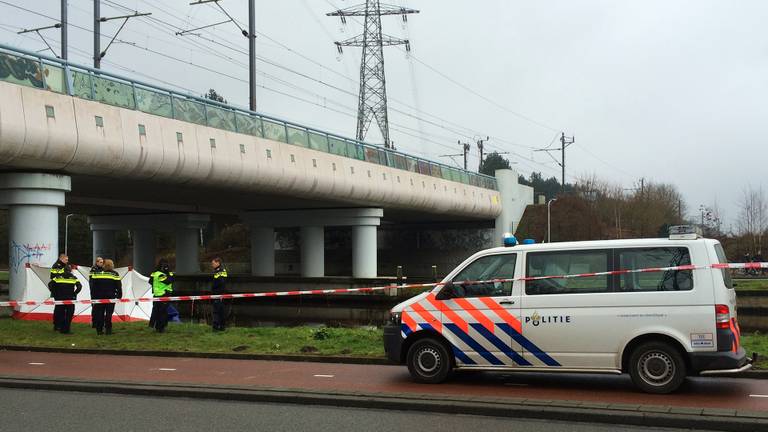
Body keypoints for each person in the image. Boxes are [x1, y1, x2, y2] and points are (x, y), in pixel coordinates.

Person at [48, 254, 82, 334]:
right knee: (60, 310)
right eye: (66, 259)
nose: (67, 261)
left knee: (59, 309)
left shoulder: (64, 266)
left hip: (60, 290)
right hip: (59, 289)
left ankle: (59, 326)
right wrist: (74, 293)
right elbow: (53, 277)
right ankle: (58, 325)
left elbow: (52, 282)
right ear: (61, 259)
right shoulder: (57, 266)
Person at [90, 259, 122, 335]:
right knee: (109, 314)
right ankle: (108, 330)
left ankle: (99, 330)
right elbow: (119, 286)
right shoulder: (115, 274)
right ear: (112, 265)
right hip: (110, 297)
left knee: (99, 314)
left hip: (99, 297)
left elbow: (93, 286)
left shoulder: (97, 273)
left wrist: (93, 296)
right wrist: (119, 296)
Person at [149, 259, 174, 333]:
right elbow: (170, 281)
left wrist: (157, 287)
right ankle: (161, 328)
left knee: (156, 311)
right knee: (163, 312)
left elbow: (150, 281)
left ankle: (156, 327)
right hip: (164, 294)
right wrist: (168, 272)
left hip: (156, 295)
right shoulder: (162, 274)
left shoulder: (155, 273)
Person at [210, 257, 228, 332]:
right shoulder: (222, 271)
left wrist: (214, 289)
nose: (212, 265)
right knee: (221, 311)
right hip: (220, 294)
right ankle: (222, 326)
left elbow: (220, 283)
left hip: (218, 294)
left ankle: (216, 327)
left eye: (213, 263)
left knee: (216, 311)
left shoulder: (219, 271)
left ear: (218, 263)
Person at [89, 257, 104, 328]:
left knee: (101, 308)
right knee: (95, 307)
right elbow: (92, 281)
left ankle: (100, 322)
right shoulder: (93, 269)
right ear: (97, 262)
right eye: (100, 262)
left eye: (102, 262)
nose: (102, 264)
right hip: (94, 291)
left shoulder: (103, 269)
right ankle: (94, 322)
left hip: (101, 291)